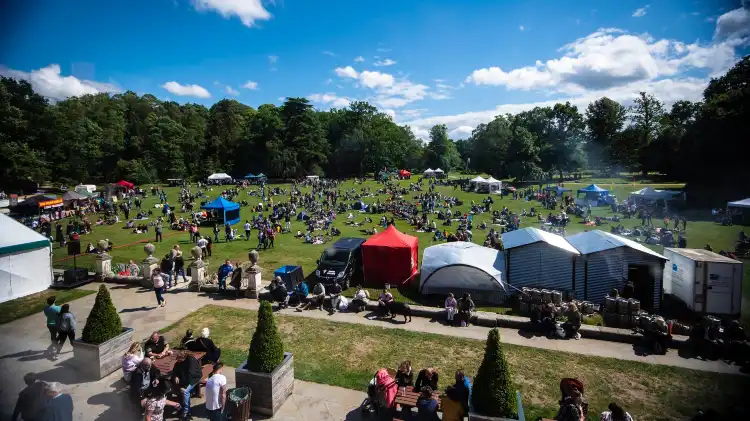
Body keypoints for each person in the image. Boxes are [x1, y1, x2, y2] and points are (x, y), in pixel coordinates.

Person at [171, 351, 203, 420]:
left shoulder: (191, 361)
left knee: (185, 391)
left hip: (194, 379)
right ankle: (185, 408)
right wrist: (176, 376)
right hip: (185, 379)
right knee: (178, 389)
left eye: (179, 359)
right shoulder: (179, 362)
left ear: (183, 358)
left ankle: (186, 411)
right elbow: (175, 370)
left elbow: (190, 376)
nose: (177, 360)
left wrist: (184, 387)